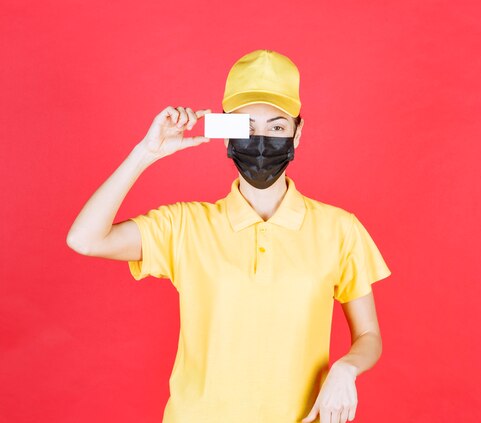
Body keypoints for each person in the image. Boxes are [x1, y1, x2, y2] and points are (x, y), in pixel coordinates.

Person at [66, 49, 392, 423]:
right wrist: (146, 153)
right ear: (225, 135)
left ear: (297, 134)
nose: (262, 138)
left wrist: (346, 368)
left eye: (277, 126)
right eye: (245, 126)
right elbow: (85, 239)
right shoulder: (185, 227)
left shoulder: (339, 229)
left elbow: (369, 334)